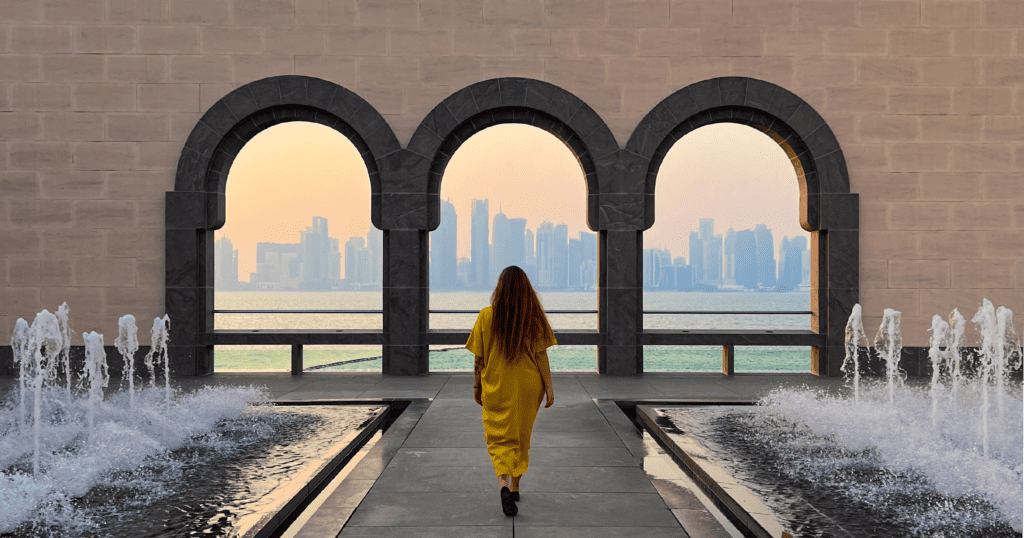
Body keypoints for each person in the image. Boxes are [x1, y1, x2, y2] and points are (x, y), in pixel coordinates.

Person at [465, 265, 556, 517]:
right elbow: (541, 355)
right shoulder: (533, 317)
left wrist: (476, 385)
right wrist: (548, 387)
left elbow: (479, 359)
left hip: (497, 384)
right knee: (521, 434)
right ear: (526, 290)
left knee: (499, 436)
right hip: (528, 386)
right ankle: (515, 486)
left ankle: (503, 483)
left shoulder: (486, 316)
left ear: (499, 289)